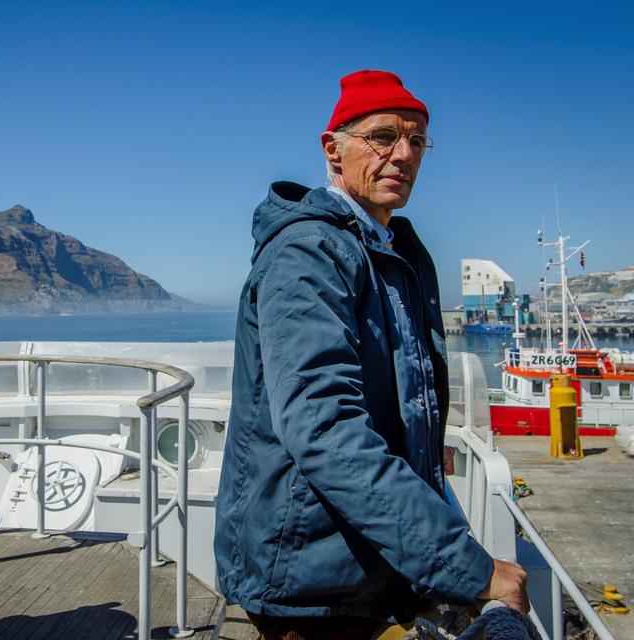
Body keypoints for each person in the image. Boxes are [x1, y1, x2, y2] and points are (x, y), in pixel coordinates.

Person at [215, 70, 528, 640]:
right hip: (312, 579)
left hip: (366, 564)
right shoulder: (308, 253)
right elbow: (323, 424)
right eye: (383, 136)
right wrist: (468, 567)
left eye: (417, 140)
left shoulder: (387, 249)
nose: (402, 154)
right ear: (333, 149)